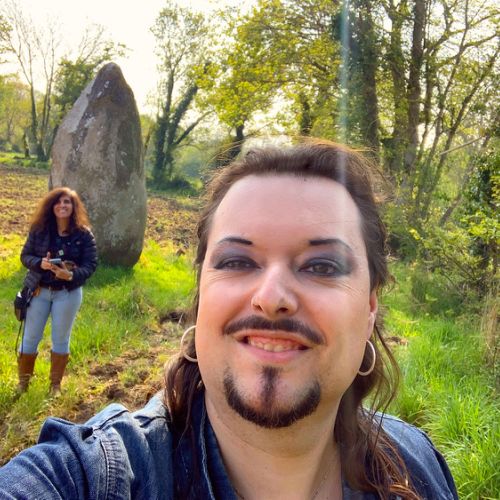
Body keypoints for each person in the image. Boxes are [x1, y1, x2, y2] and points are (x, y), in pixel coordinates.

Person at [0, 141, 457, 499]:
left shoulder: (418, 465)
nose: (271, 298)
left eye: (322, 266)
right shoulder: (89, 477)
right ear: (202, 296)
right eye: (237, 261)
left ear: (371, 306)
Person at [16, 187, 97, 393]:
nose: (62, 205)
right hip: (39, 290)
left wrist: (69, 275)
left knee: (61, 338)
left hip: (68, 293)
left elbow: (91, 265)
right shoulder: (39, 229)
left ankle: (55, 386)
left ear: (73, 206)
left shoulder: (84, 234)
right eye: (58, 202)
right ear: (51, 206)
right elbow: (25, 256)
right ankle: (23, 384)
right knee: (30, 337)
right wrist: (39, 263)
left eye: (67, 202)